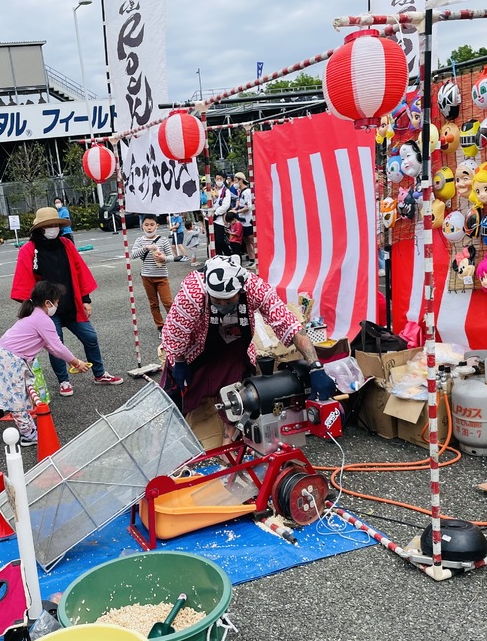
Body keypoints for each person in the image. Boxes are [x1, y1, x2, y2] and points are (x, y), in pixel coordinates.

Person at [160, 255, 336, 440]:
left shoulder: (255, 287)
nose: (222, 305)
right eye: (217, 301)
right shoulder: (192, 293)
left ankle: (229, 443)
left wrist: (315, 367)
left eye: (229, 301)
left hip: (234, 347)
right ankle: (172, 440)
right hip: (196, 349)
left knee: (238, 399)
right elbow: (175, 331)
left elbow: (291, 326)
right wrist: (179, 362)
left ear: (241, 289)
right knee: (178, 400)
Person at [10, 206, 124, 397]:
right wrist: (34, 310)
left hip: (72, 303)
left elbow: (80, 270)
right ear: (40, 228)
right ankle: (64, 381)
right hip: (46, 308)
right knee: (56, 344)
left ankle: (99, 373)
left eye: (55, 224)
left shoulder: (66, 244)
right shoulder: (28, 250)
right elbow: (23, 280)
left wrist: (86, 299)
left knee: (90, 337)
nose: (53, 228)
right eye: (49, 225)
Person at [0, 281, 92, 443]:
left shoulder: (34, 313)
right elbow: (57, 346)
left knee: (18, 395)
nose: (57, 305)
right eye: (56, 302)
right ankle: (28, 434)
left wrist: (71, 362)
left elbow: (50, 346)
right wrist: (76, 362)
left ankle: (28, 431)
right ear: (48, 303)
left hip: (6, 356)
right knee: (17, 398)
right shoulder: (43, 319)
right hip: (12, 359)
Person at [131, 214, 174, 330]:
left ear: (157, 226)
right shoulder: (140, 240)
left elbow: (171, 257)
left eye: (152, 225)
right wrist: (146, 247)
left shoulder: (163, 240)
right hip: (147, 276)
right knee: (153, 303)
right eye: (146, 225)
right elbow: (133, 255)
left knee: (168, 302)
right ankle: (160, 326)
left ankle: (173, 325)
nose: (149, 228)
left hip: (161, 276)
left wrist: (164, 258)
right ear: (142, 226)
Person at [233, 172, 256, 266]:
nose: (234, 183)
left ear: (241, 180)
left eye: (235, 181)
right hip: (243, 221)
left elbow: (249, 206)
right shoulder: (240, 192)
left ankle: (258, 258)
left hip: (248, 220)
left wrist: (237, 212)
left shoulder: (247, 192)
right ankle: (252, 259)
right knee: (246, 240)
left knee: (251, 240)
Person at [211, 173, 232, 255]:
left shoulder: (226, 191)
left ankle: (228, 255)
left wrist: (216, 213)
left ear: (223, 179)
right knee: (213, 241)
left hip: (220, 218)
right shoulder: (212, 190)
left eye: (220, 179)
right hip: (210, 217)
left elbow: (226, 205)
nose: (218, 180)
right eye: (217, 179)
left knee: (220, 240)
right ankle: (217, 256)